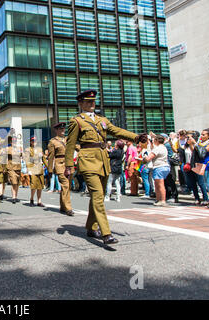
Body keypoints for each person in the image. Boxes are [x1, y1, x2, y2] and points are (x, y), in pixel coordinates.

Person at [64, 90, 145, 245]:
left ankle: (91, 227)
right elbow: (70, 144)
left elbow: (117, 131)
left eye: (93, 101)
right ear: (80, 104)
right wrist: (68, 165)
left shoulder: (102, 120)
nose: (91, 104)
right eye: (88, 102)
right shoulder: (76, 121)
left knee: (97, 196)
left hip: (102, 160)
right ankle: (106, 233)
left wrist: (135, 137)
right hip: (87, 160)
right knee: (98, 195)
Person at [47, 122, 74, 216]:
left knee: (67, 187)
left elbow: (75, 147)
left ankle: (63, 206)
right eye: (61, 129)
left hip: (69, 164)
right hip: (60, 164)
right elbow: (50, 157)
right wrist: (50, 170)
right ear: (56, 130)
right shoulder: (52, 141)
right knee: (65, 185)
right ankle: (68, 208)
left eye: (64, 129)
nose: (63, 130)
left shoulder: (68, 139)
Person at [141, 135, 171, 207]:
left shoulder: (157, 148)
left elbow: (149, 158)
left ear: (157, 140)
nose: (153, 141)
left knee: (159, 185)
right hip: (165, 166)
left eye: (154, 140)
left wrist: (144, 158)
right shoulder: (164, 147)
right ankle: (159, 199)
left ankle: (162, 200)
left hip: (159, 167)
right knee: (158, 184)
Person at [24, 137, 46, 207]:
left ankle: (39, 201)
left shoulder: (40, 149)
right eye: (33, 141)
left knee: (40, 185)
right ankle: (32, 199)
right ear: (30, 142)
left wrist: (49, 167)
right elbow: (27, 160)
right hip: (33, 168)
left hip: (39, 169)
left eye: (35, 141)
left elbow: (44, 159)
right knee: (33, 185)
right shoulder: (28, 150)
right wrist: (29, 169)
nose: (34, 142)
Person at [6, 136, 22, 203]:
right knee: (14, 183)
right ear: (10, 142)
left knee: (17, 183)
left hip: (18, 168)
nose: (14, 142)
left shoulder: (19, 148)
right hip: (11, 168)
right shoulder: (8, 149)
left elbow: (21, 155)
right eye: (13, 141)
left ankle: (15, 196)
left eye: (15, 141)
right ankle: (13, 197)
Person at [199, 128, 209, 208]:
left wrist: (194, 143)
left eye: (203, 134)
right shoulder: (204, 143)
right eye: (201, 134)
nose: (201, 136)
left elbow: (202, 151)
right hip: (206, 163)